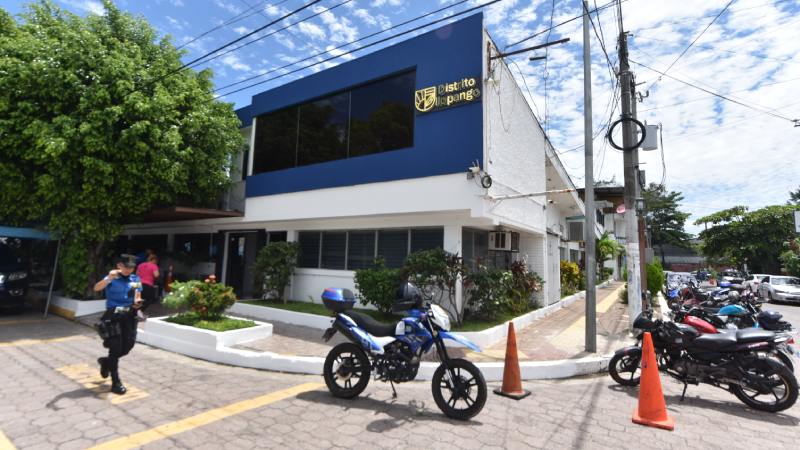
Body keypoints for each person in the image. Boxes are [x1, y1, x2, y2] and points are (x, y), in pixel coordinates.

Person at [93, 255, 143, 395]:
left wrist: (138, 304)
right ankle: (116, 382)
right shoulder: (112, 278)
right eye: (126, 267)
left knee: (128, 346)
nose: (129, 270)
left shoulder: (135, 279)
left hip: (129, 315)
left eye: (131, 267)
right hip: (113, 316)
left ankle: (106, 362)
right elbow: (97, 288)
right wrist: (108, 278)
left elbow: (137, 295)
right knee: (115, 349)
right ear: (119, 265)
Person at [136, 253, 160, 319]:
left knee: (137, 299)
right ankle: (139, 311)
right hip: (147, 284)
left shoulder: (140, 265)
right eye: (156, 261)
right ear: (154, 260)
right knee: (149, 300)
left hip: (137, 284)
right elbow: (156, 275)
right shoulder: (153, 266)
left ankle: (138, 312)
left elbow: (137, 274)